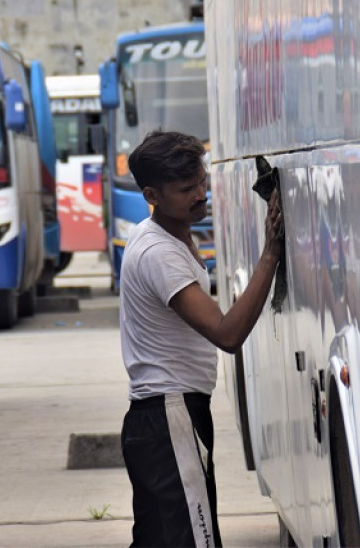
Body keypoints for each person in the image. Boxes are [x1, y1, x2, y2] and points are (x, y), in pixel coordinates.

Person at [119, 130, 283, 548]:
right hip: (171, 414)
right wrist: (271, 255)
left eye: (201, 183)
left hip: (161, 415)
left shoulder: (164, 234)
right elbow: (227, 334)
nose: (199, 195)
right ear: (152, 194)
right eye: (186, 189)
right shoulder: (160, 253)